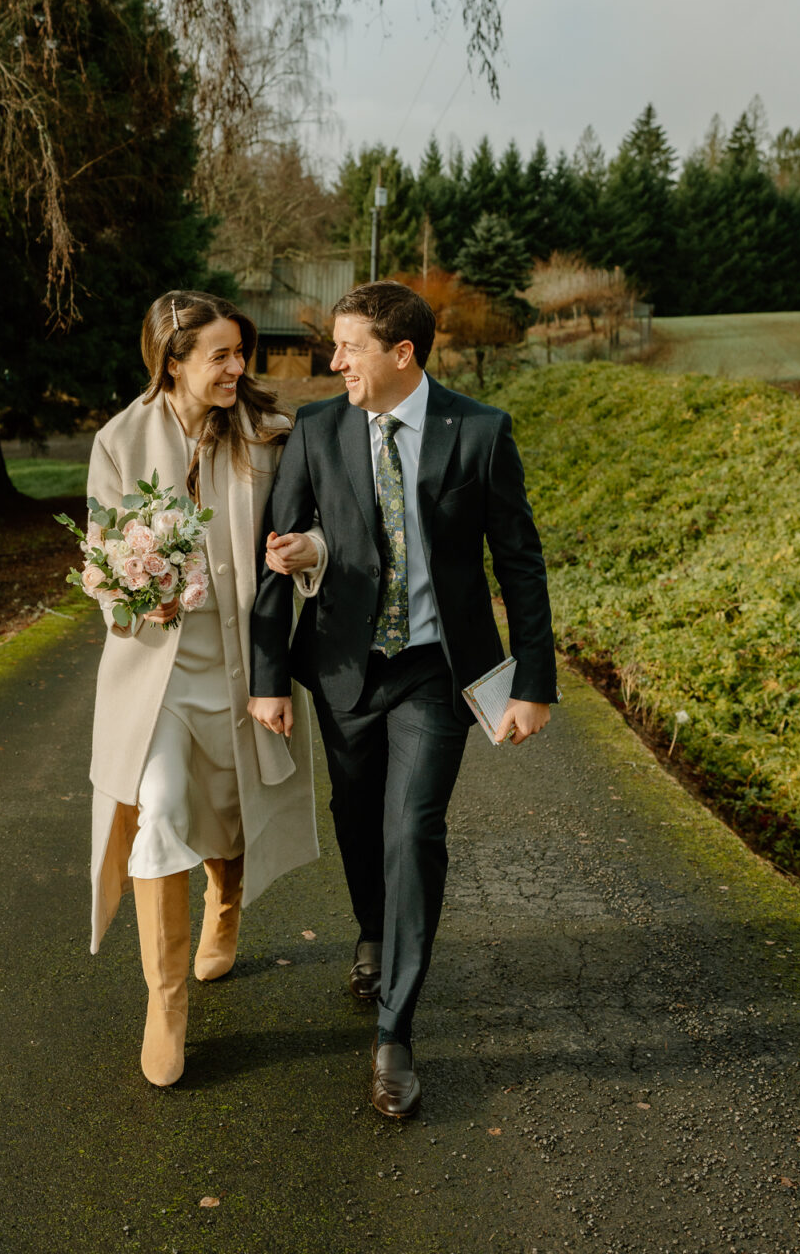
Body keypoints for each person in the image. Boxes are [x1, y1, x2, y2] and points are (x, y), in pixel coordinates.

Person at [249, 280, 558, 1119]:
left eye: (348, 346)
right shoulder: (317, 429)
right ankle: (373, 932)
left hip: (434, 671)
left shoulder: (481, 432)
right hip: (345, 669)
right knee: (355, 814)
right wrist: (267, 676)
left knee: (411, 827)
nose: (333, 360)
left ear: (402, 353)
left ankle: (396, 1032)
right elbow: (276, 556)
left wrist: (535, 681)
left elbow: (519, 562)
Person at [86, 290, 324, 1087]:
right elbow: (100, 554)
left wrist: (307, 553)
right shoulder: (118, 440)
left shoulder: (271, 435)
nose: (236, 368)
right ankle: (165, 1002)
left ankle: (227, 900)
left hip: (244, 665)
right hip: (156, 676)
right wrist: (130, 581)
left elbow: (321, 532)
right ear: (173, 362)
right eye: (218, 355)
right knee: (158, 811)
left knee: (228, 806)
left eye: (238, 352)